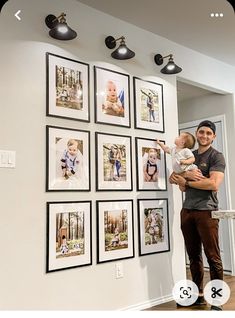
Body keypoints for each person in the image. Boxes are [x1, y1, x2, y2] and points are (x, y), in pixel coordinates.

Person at [170, 120, 225, 310]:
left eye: (209, 133)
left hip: (207, 211)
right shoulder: (189, 155)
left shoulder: (216, 157)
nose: (204, 136)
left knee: (213, 256)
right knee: (193, 256)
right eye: (201, 132)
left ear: (214, 136)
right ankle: (198, 295)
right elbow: (173, 178)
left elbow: (213, 184)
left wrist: (188, 181)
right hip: (187, 210)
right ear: (197, 133)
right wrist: (184, 178)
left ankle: (217, 301)